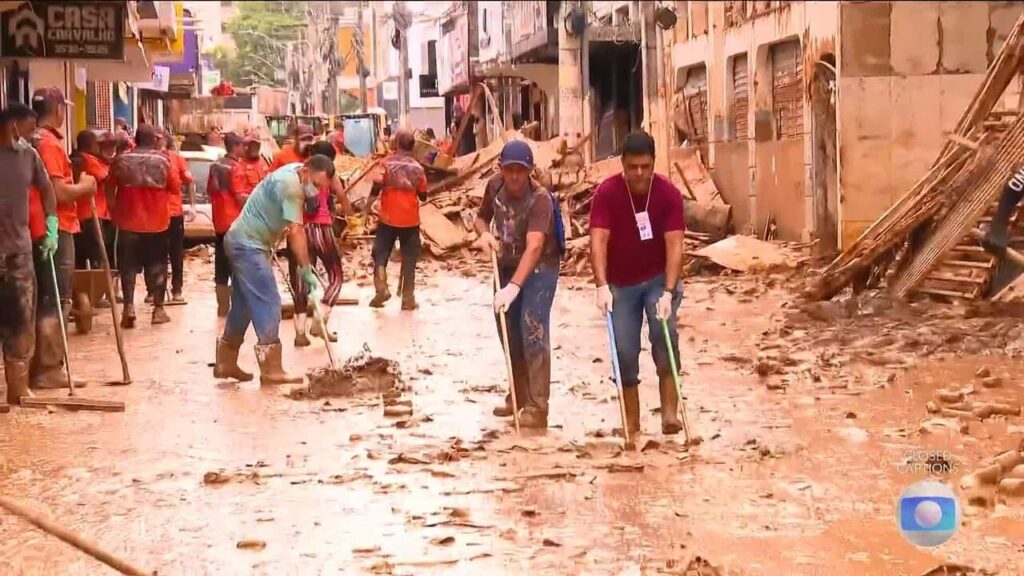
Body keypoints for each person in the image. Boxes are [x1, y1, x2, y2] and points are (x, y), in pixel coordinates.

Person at [589, 131, 685, 435]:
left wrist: (669, 292)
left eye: (645, 166)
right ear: (623, 164)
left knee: (663, 332)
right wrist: (601, 285)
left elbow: (675, 247)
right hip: (620, 283)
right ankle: (632, 422)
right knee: (625, 349)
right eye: (633, 167)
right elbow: (598, 241)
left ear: (654, 163)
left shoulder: (669, 195)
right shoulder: (607, 193)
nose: (639, 173)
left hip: (658, 279)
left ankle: (670, 413)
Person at [213, 155, 334, 386]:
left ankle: (225, 362)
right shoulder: (290, 187)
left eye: (322, 188)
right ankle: (271, 369)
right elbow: (296, 231)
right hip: (248, 245)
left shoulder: (294, 172)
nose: (316, 191)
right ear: (306, 171)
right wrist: (306, 268)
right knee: (269, 301)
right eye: (315, 185)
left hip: (242, 241)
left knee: (244, 305)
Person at [472, 140, 559, 429]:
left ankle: (538, 406)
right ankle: (518, 393)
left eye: (520, 171)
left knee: (532, 328)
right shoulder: (494, 186)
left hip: (540, 268)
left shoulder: (540, 198)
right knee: (507, 329)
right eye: (509, 170)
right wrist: (484, 234)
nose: (514, 177)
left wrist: (514, 288)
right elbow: (481, 218)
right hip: (506, 264)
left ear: (530, 171)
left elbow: (535, 247)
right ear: (500, 169)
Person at [30, 87, 97, 389]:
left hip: (35, 227)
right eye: (63, 107)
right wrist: (86, 186)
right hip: (56, 228)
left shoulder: (28, 139)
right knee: (55, 298)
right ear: (57, 109)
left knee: (42, 296)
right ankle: (48, 368)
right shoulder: (49, 145)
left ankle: (38, 365)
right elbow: (58, 193)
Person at [0, 107, 57, 409]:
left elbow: (47, 189)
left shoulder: (28, 156)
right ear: (12, 126)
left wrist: (52, 223)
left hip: (18, 252)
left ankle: (18, 388)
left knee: (21, 320)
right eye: (28, 126)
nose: (33, 132)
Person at [108, 124, 172, 328]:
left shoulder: (120, 160)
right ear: (154, 140)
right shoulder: (164, 161)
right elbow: (175, 187)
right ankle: (158, 309)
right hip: (157, 223)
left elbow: (109, 188)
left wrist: (114, 211)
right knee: (158, 265)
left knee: (127, 267)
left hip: (128, 221)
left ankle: (128, 307)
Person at [288, 141, 348, 346]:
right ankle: (320, 319)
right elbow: (341, 197)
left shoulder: (297, 173)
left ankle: (299, 333)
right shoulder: (328, 175)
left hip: (298, 231)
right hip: (321, 229)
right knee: (336, 276)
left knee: (300, 281)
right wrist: (349, 211)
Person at [365, 129, 426, 310]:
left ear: (396, 143)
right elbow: (423, 195)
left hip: (388, 218)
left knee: (380, 253)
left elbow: (376, 188)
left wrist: (367, 209)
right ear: (413, 146)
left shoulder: (386, 164)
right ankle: (408, 298)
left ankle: (381, 288)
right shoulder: (418, 168)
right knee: (410, 258)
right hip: (410, 220)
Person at [209, 132, 246, 317]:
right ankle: (238, 307)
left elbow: (211, 191)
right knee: (238, 266)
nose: (244, 149)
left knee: (221, 266)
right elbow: (239, 197)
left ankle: (222, 306)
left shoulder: (215, 165)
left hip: (219, 222)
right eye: (242, 145)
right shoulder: (236, 168)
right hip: (235, 224)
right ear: (236, 146)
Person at [72, 130, 116, 276]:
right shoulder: (88, 160)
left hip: (78, 215)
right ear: (92, 144)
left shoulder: (75, 158)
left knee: (80, 257)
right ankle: (100, 291)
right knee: (97, 255)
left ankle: (83, 292)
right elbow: (107, 179)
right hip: (92, 215)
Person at [159, 129, 194, 304]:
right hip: (156, 214)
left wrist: (192, 206)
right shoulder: (150, 158)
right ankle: (156, 291)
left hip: (172, 213)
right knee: (157, 255)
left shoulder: (176, 159)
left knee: (174, 253)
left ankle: (176, 289)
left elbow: (189, 182)